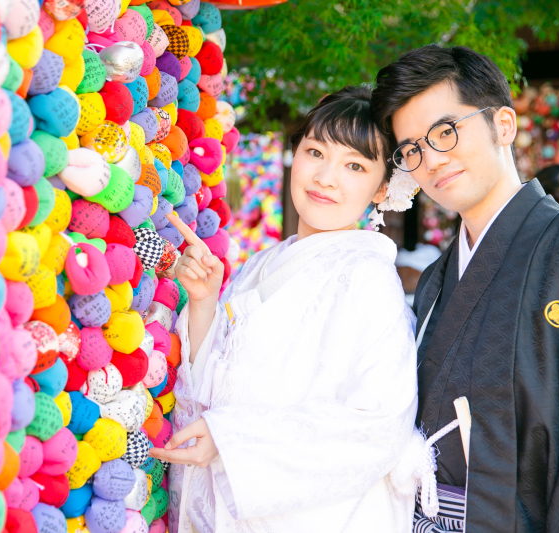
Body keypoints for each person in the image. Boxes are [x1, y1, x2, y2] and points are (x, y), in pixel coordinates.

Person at [150, 86, 420, 532]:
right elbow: (220, 380)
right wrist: (203, 306)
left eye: (354, 165)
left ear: (382, 188)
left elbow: (377, 425)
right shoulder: (263, 263)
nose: (326, 177)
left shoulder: (368, 278)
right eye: (316, 152)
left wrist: (231, 440)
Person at [371, 45, 559, 532]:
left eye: (446, 131)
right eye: (413, 149)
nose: (431, 160)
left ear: (503, 125)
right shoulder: (434, 282)